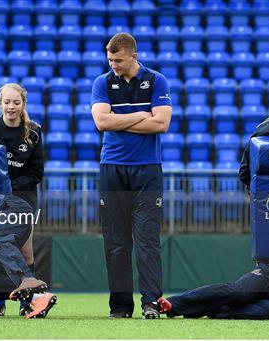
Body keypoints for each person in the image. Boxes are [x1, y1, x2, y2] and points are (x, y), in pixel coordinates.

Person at [91, 33, 172, 319]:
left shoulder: (157, 80)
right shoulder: (102, 82)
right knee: (116, 242)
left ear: (133, 56)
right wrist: (141, 115)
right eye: (110, 59)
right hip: (112, 168)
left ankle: (151, 303)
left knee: (148, 240)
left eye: (118, 60)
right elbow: (102, 122)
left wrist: (119, 121)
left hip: (147, 168)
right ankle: (121, 307)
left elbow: (161, 123)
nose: (113, 64)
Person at [0, 83, 44, 316]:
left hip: (23, 200)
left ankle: (28, 303)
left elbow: (36, 172)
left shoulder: (33, 132)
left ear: (23, 104)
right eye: (7, 102)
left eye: (16, 102)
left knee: (26, 252)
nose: (11, 107)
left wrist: (10, 186)